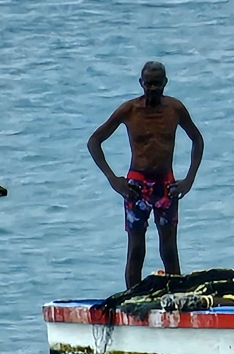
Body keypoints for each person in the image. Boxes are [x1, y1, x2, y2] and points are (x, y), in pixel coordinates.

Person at [87, 61, 205, 289]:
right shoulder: (129, 110)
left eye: (157, 84)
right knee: (135, 250)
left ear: (165, 83)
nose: (152, 88)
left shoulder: (175, 109)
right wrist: (114, 180)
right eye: (148, 84)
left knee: (169, 249)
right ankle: (132, 299)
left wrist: (189, 180)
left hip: (166, 185)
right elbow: (94, 141)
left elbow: (197, 140)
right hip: (136, 186)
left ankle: (176, 298)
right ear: (141, 83)